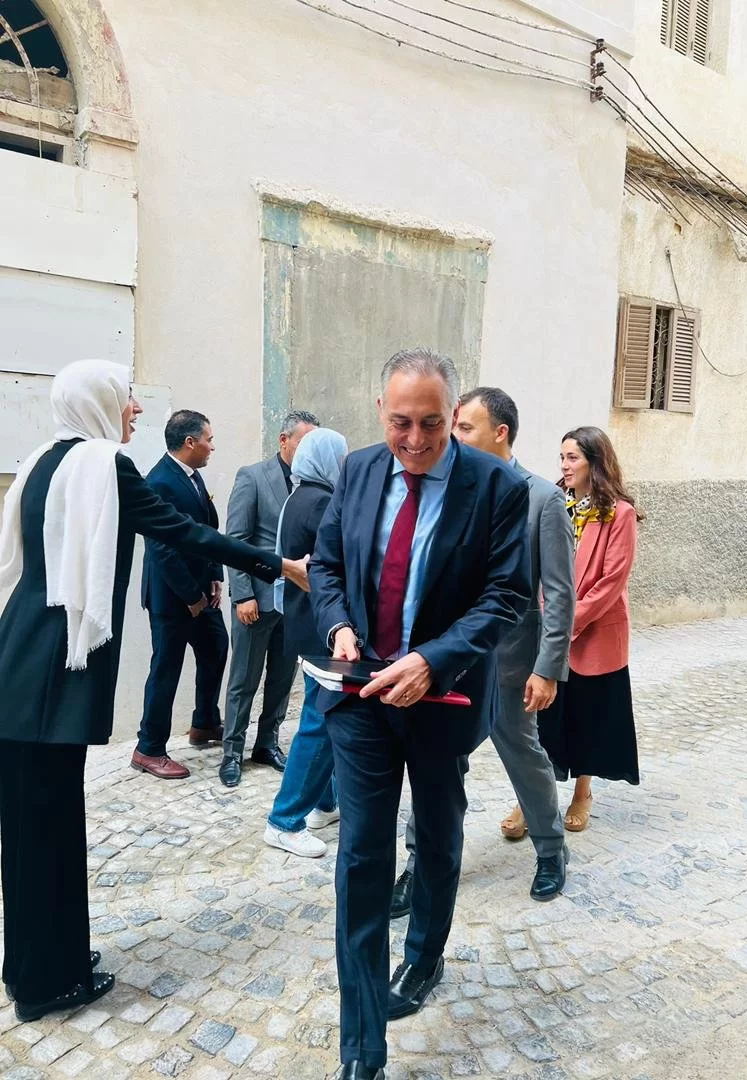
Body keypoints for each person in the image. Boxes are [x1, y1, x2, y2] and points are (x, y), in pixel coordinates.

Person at [0, 360, 308, 1023]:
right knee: (48, 826)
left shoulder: (43, 464)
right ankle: (49, 983)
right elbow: (183, 532)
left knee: (26, 828)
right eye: (126, 396)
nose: (135, 408)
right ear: (96, 401)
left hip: (19, 653)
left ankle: (33, 966)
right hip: (54, 666)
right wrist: (278, 565)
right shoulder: (103, 466)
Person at [308, 348, 531, 1080]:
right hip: (362, 698)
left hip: (444, 699)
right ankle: (362, 1049)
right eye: (400, 422)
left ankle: (425, 956)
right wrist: (339, 624)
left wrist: (434, 659)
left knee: (435, 837)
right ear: (381, 411)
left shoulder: (497, 486)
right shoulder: (358, 470)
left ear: (453, 413)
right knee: (361, 854)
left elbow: (505, 594)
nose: (414, 439)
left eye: (432, 424)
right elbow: (327, 564)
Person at [392, 387, 575, 915]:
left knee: (523, 755)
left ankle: (551, 850)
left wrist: (548, 668)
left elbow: (559, 592)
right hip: (450, 661)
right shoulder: (447, 488)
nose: (453, 436)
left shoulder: (542, 499)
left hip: (512, 663)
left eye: (465, 427)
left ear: (500, 432)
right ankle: (419, 863)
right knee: (437, 763)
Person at [540, 425, 641, 832]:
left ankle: (582, 792)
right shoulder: (554, 504)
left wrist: (566, 621)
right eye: (562, 457)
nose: (564, 466)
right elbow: (540, 566)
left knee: (588, 716)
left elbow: (611, 581)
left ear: (594, 463)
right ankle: (534, 796)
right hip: (551, 627)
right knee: (543, 717)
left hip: (595, 632)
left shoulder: (619, 513)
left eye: (573, 458)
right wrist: (546, 615)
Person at [219, 410, 320, 788]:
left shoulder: (312, 483)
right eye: (303, 442)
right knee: (243, 679)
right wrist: (242, 594)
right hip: (256, 600)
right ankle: (232, 751)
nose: (308, 450)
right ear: (284, 440)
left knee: (281, 679)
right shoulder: (253, 477)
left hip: (293, 603)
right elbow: (236, 540)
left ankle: (267, 743)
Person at [263, 427, 348, 856]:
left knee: (325, 716)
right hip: (322, 627)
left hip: (304, 623)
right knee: (318, 721)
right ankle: (284, 820)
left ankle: (324, 803)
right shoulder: (321, 501)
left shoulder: (299, 495)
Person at [133, 410, 231, 779]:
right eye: (209, 439)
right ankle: (148, 748)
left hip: (202, 591)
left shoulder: (192, 475)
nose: (212, 446)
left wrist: (215, 575)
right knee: (166, 669)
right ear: (190, 442)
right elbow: (161, 549)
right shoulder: (159, 482)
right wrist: (191, 596)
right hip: (172, 598)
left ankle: (204, 722)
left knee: (216, 648)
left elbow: (206, 530)